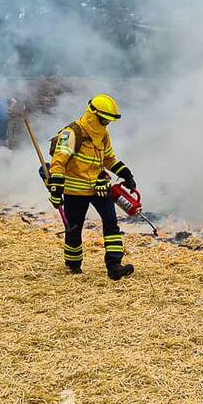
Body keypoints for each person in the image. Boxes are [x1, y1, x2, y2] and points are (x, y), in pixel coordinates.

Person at [46, 94, 136, 280]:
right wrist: (56, 189)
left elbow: (109, 159)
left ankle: (114, 266)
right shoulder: (71, 133)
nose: (106, 124)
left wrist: (126, 173)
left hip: (99, 188)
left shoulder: (103, 134)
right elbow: (58, 163)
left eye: (109, 122)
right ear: (93, 114)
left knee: (111, 222)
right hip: (75, 192)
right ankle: (73, 266)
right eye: (104, 120)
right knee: (74, 228)